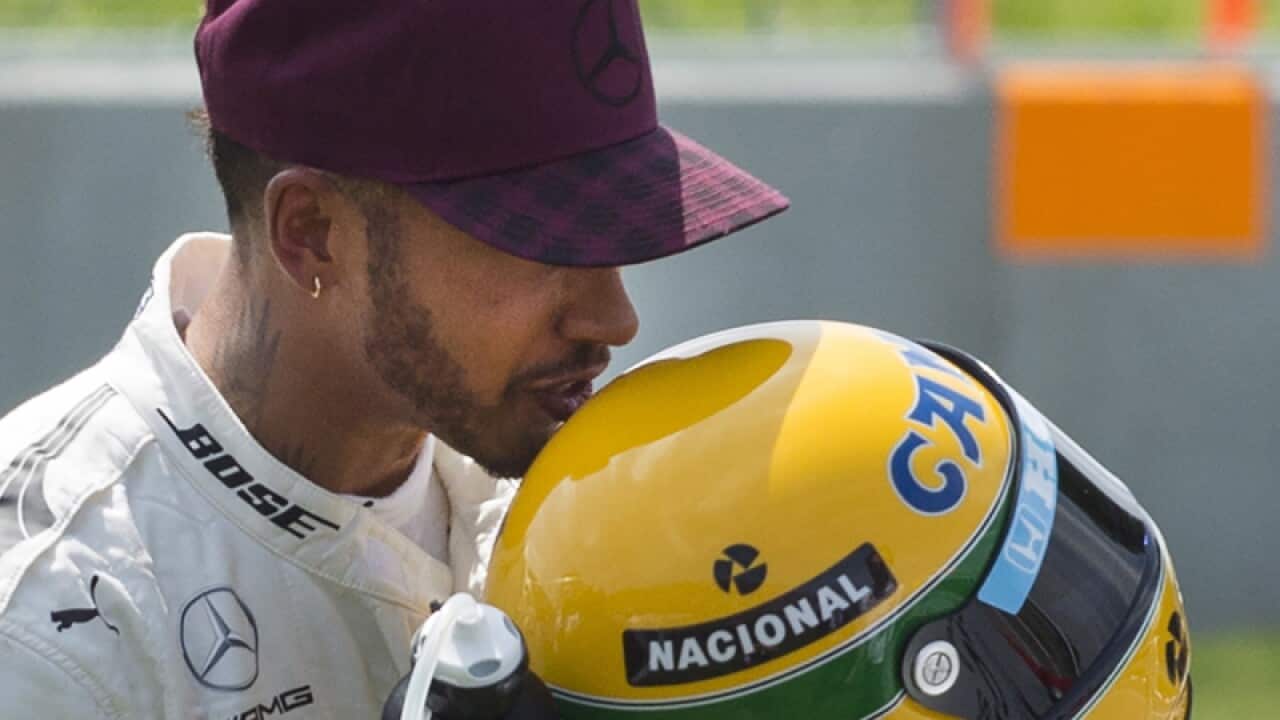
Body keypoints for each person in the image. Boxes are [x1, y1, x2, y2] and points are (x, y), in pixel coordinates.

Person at [0, 1, 788, 717]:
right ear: (311, 233)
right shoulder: (47, 618)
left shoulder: (609, 487)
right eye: (539, 246)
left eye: (612, 240)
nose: (615, 320)